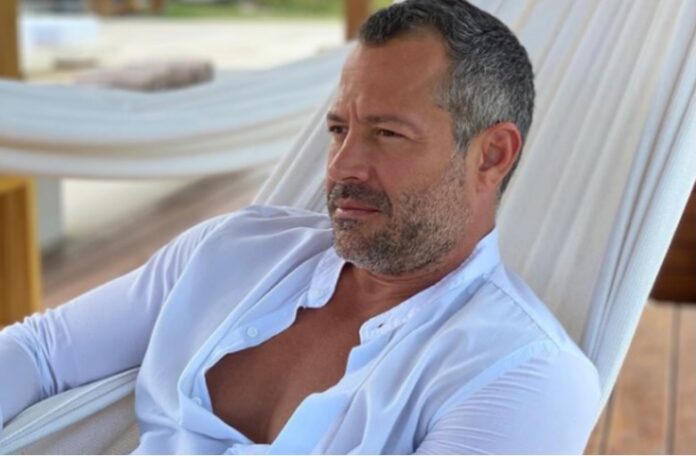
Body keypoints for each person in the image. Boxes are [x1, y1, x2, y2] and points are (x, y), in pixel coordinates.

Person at [0, 0, 601, 453]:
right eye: (339, 129)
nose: (341, 167)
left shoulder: (521, 372)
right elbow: (40, 352)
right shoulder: (232, 251)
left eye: (388, 133)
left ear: (492, 155)